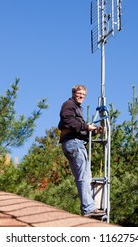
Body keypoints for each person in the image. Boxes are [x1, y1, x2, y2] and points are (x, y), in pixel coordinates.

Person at [58, 84, 104, 217]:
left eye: (83, 95)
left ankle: (88, 207)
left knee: (84, 176)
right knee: (84, 176)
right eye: (79, 94)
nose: (81, 96)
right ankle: (88, 208)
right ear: (73, 93)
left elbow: (79, 129)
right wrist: (85, 126)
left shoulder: (77, 108)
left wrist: (94, 131)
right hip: (74, 143)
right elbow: (67, 121)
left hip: (74, 142)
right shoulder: (69, 105)